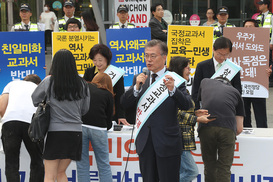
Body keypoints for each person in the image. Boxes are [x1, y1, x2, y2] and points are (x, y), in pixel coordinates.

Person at [121, 39, 192, 182]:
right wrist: (135, 88)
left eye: (153, 56)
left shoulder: (175, 79)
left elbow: (187, 105)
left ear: (164, 57)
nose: (148, 60)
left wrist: (174, 90)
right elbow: (124, 103)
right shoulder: (140, 78)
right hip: (145, 143)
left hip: (167, 142)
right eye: (146, 56)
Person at [32, 49, 90, 182]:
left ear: (55, 64)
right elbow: (85, 109)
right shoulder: (82, 83)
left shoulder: (49, 81)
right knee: (61, 172)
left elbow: (35, 99)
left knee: (49, 175)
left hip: (55, 133)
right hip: (75, 133)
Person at [168, 57, 215, 182]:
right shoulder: (174, 87)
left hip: (183, 136)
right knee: (191, 171)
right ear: (181, 69)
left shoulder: (180, 86)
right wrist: (197, 119)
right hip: (179, 137)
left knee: (182, 171)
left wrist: (195, 112)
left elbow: (182, 110)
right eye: (188, 68)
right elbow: (175, 113)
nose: (190, 71)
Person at [197, 77, 245, 182]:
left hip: (206, 126)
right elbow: (239, 128)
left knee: (209, 165)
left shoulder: (205, 81)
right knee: (224, 168)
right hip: (227, 129)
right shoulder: (236, 92)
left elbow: (199, 105)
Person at [0, 74, 44, 182]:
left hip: (10, 122)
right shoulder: (39, 88)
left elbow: (1, 108)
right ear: (38, 83)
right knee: (37, 161)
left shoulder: (12, 84)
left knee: (11, 162)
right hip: (32, 123)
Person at [77, 73, 114, 182]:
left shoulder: (84, 88)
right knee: (103, 164)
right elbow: (109, 117)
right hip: (99, 129)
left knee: (82, 164)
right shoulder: (108, 94)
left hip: (81, 126)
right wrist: (107, 126)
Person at [83, 44, 129, 125]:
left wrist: (121, 115)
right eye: (94, 60)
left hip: (110, 113)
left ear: (107, 58)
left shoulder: (116, 73)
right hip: (92, 113)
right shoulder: (89, 72)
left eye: (100, 60)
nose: (97, 63)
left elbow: (120, 96)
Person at [192, 36, 242, 110]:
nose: (222, 57)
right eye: (219, 54)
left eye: (226, 55)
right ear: (213, 50)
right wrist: (197, 109)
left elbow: (238, 90)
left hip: (227, 107)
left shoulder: (233, 68)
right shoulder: (202, 66)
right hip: (206, 107)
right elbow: (196, 90)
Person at [242, 19, 272, 128]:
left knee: (260, 115)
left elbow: (269, 62)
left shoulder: (263, 44)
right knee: (244, 114)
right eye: (245, 27)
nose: (248, 29)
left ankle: (263, 136)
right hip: (243, 85)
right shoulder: (237, 45)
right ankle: (246, 134)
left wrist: (270, 71)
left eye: (251, 27)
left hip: (258, 85)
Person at [256, 0, 273, 87]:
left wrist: (272, 42)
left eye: (261, 4)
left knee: (268, 61)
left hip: (267, 41)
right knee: (260, 60)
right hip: (259, 43)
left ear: (266, 5)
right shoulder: (258, 17)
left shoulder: (271, 16)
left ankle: (269, 80)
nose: (259, 6)